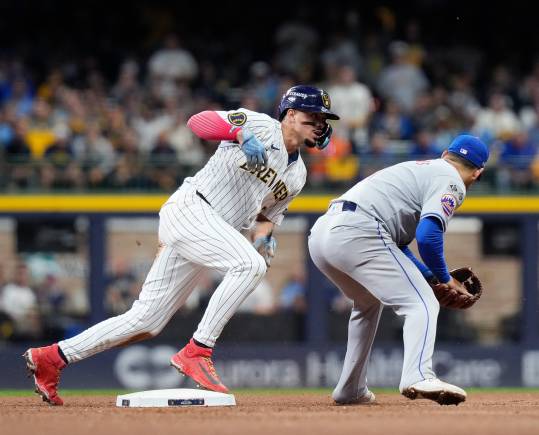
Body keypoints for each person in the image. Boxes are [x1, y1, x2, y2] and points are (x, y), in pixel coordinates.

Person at [24, 85, 339, 406]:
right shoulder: (259, 125)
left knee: (147, 320)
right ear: (289, 113)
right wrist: (238, 134)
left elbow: (265, 215)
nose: (319, 122)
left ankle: (53, 357)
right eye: (312, 114)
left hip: (211, 230)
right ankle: (198, 350)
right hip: (193, 208)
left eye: (322, 118)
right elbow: (198, 121)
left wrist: (263, 237)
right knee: (249, 265)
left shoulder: (298, 174)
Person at [308, 134, 488, 406]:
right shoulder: (452, 180)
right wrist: (444, 278)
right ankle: (418, 375)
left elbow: (393, 246)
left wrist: (429, 277)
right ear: (478, 172)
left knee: (367, 303)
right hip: (359, 231)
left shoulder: (421, 169)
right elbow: (428, 237)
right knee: (421, 304)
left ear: (444, 154)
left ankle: (350, 388)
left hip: (323, 233)